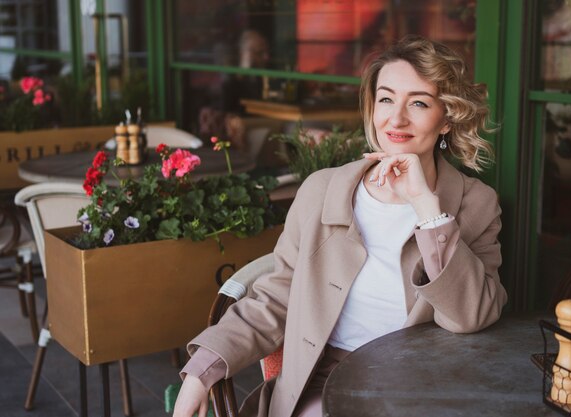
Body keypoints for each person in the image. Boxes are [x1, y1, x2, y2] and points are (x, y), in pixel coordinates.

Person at [174, 35, 507, 417]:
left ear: (447, 118)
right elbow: (276, 298)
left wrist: (427, 208)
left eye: (418, 102)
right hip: (330, 383)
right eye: (386, 99)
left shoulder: (476, 203)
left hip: (426, 391)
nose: (396, 119)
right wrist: (203, 370)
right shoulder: (322, 190)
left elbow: (473, 317)